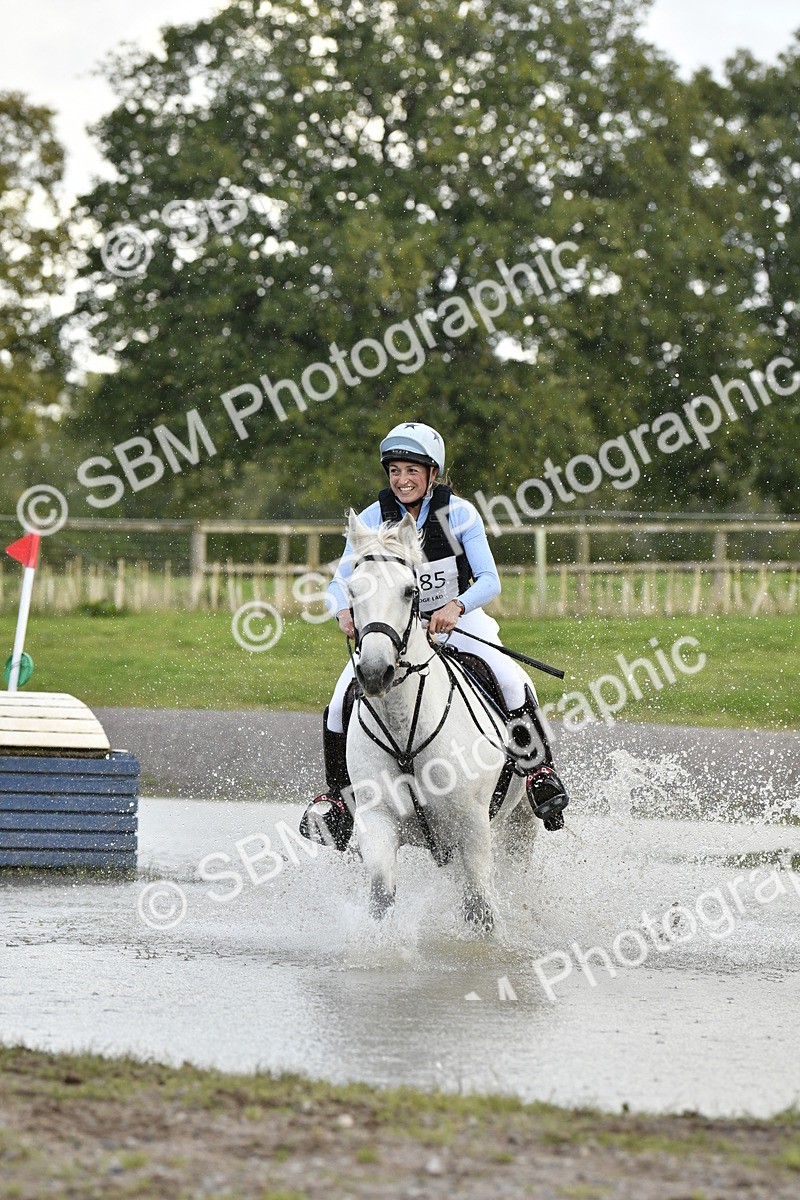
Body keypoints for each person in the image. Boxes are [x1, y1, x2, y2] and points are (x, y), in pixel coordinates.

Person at [300, 421, 569, 850]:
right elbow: (338, 581)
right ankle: (336, 800)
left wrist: (456, 606)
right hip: (392, 630)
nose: (402, 480)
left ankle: (538, 772)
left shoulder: (459, 513)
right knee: (339, 701)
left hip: (458, 622)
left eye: (411, 471)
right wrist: (343, 609)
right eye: (394, 472)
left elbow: (489, 580)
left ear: (431, 473)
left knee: (509, 678)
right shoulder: (372, 518)